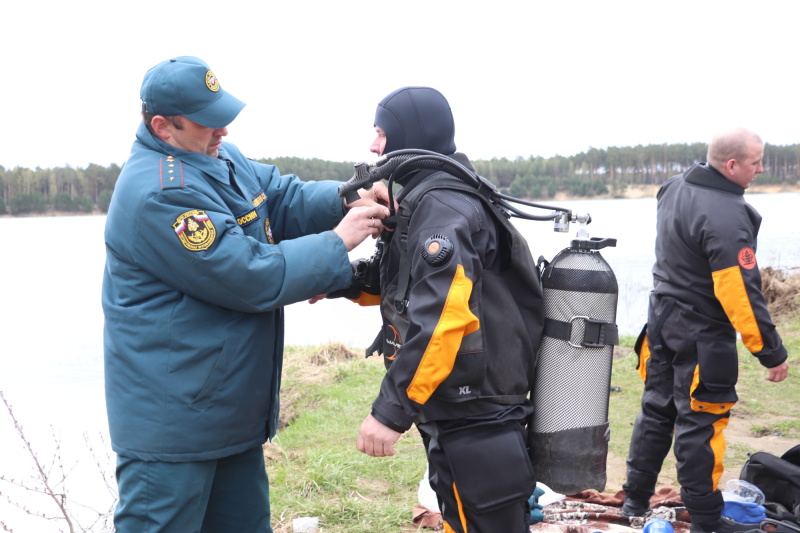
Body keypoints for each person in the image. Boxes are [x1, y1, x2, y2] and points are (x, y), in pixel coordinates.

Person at [102, 56, 389, 532]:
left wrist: (347, 196)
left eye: (224, 117)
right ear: (162, 126)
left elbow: (280, 196)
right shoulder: (160, 194)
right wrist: (339, 241)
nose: (224, 131)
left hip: (226, 412)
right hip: (175, 427)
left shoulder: (217, 158)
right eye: (208, 121)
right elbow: (248, 276)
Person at [349, 86, 544, 533]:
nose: (374, 147)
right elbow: (407, 287)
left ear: (410, 137)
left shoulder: (443, 209)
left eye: (380, 134)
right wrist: (338, 282)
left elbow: (442, 320)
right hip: (463, 408)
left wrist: (389, 413)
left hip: (477, 412)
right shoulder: (434, 198)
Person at [621, 128, 790, 533]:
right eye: (755, 162)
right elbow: (740, 295)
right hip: (699, 331)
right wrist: (771, 352)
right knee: (701, 422)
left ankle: (634, 500)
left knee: (656, 411)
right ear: (731, 165)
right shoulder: (727, 215)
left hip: (660, 322)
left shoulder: (674, 187)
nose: (761, 169)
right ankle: (707, 520)